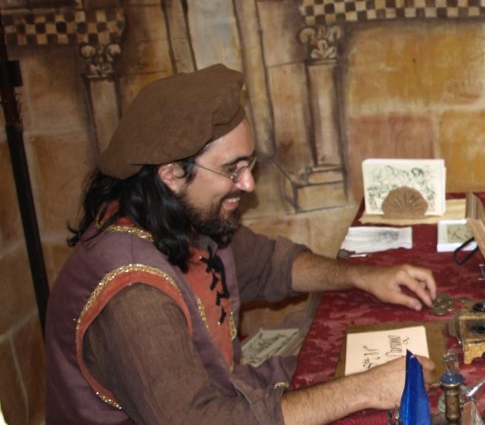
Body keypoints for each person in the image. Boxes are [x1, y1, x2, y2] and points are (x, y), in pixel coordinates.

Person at [45, 65, 439, 424]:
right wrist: (363, 389)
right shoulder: (133, 295)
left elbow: (271, 264)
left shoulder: (177, 215)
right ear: (171, 175)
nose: (248, 184)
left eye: (249, 165)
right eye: (232, 170)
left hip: (228, 394)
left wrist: (363, 277)